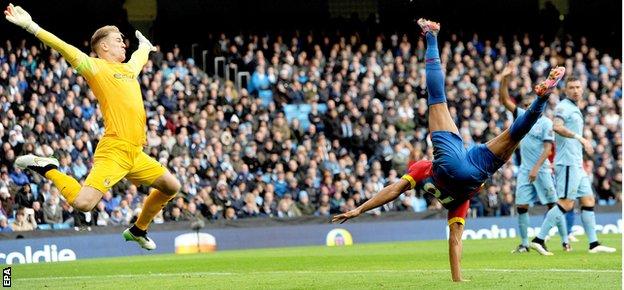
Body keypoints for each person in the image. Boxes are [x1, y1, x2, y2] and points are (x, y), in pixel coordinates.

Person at [332, 18, 565, 282]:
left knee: (514, 135)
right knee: (441, 99)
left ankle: (541, 98)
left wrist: (359, 210)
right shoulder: (423, 170)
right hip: (459, 162)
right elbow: (397, 191)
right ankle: (432, 36)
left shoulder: (456, 200)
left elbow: (446, 234)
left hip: (475, 169)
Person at [4, 3, 181, 250]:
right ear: (104, 46)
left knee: (172, 186)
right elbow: (63, 47)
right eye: (119, 40)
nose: (123, 44)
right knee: (84, 203)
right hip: (115, 151)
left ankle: (138, 230)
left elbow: (140, 55)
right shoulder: (96, 67)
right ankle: (48, 168)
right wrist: (31, 26)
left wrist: (144, 46)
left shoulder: (129, 69)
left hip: (136, 153)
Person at [529, 77, 616, 255]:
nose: (576, 90)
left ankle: (593, 244)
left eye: (578, 87)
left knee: (588, 200)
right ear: (565, 90)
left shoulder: (575, 108)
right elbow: (557, 126)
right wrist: (580, 138)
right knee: (567, 204)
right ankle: (538, 239)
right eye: (571, 87)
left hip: (577, 163)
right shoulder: (563, 107)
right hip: (567, 163)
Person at [498, 63, 569, 253]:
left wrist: (536, 169)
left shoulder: (546, 123)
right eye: (526, 106)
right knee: (521, 206)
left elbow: (547, 149)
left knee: (552, 206)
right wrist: (504, 79)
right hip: (524, 170)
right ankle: (524, 243)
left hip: (541, 170)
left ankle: (565, 240)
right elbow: (504, 100)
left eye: (531, 105)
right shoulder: (521, 116)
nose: (528, 108)